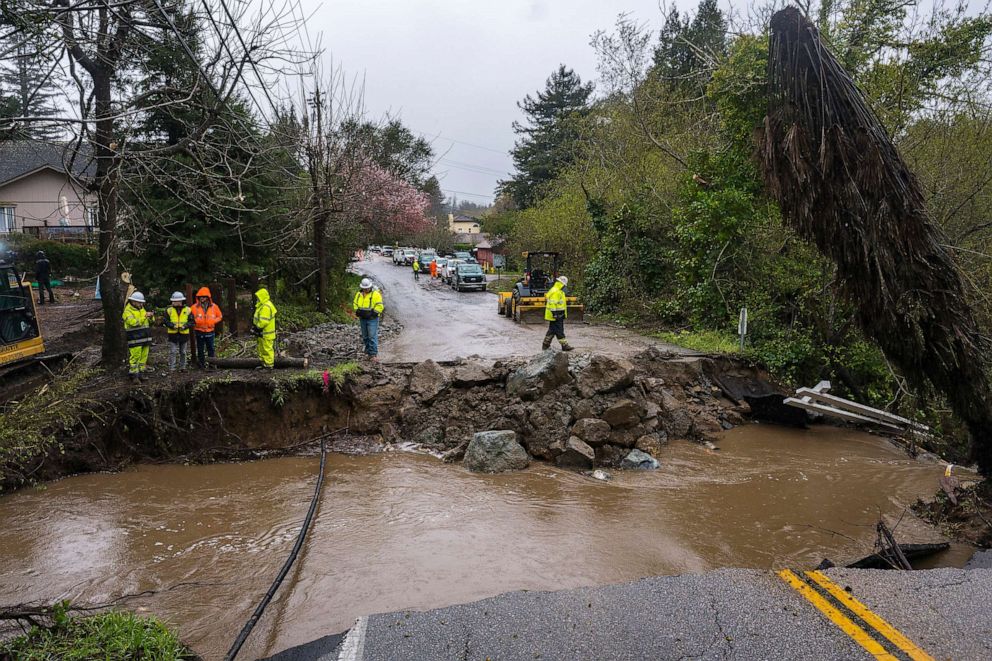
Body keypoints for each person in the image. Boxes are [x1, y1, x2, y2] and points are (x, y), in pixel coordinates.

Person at [122, 291, 154, 381]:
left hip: (145, 338)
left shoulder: (142, 309)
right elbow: (133, 323)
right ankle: (134, 375)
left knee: (143, 358)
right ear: (133, 301)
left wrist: (151, 317)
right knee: (135, 357)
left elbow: (149, 322)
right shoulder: (127, 311)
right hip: (134, 339)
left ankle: (141, 374)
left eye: (141, 302)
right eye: (139, 302)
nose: (141, 304)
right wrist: (145, 316)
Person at [353, 277, 384, 361]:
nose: (366, 290)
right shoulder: (359, 294)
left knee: (372, 336)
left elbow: (380, 306)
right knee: (365, 336)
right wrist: (357, 311)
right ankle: (368, 352)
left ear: (370, 287)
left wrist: (374, 313)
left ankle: (373, 354)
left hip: (372, 318)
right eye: (364, 288)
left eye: (367, 288)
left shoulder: (376, 294)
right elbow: (355, 303)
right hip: (363, 317)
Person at [191, 286, 222, 369]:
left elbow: (220, 316)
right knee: (200, 349)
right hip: (199, 330)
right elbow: (190, 318)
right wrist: (196, 321)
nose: (202, 298)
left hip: (210, 331)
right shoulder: (194, 307)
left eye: (204, 297)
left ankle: (212, 364)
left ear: (208, 297)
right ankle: (201, 365)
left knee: (211, 349)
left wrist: (213, 321)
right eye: (200, 297)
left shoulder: (214, 306)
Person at [164, 291, 193, 373]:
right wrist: (172, 325)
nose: (176, 303)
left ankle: (182, 367)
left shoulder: (188, 310)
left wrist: (185, 326)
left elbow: (192, 322)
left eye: (178, 301)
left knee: (183, 352)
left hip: (184, 334)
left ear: (181, 301)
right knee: (172, 351)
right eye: (174, 301)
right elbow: (165, 321)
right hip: (172, 334)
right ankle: (172, 368)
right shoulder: (169, 310)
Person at [543, 275, 574, 352]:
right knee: (559, 330)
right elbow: (552, 304)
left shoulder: (558, 290)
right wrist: (555, 314)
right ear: (562, 284)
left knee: (552, 330)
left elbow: (559, 303)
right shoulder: (556, 291)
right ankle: (564, 345)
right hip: (556, 315)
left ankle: (545, 345)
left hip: (558, 314)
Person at [252, 287, 277, 368]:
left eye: (258, 297)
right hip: (262, 333)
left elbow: (263, 321)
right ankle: (263, 364)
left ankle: (269, 366)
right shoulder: (262, 305)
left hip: (266, 333)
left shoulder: (266, 306)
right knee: (262, 348)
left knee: (267, 349)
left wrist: (257, 327)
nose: (257, 299)